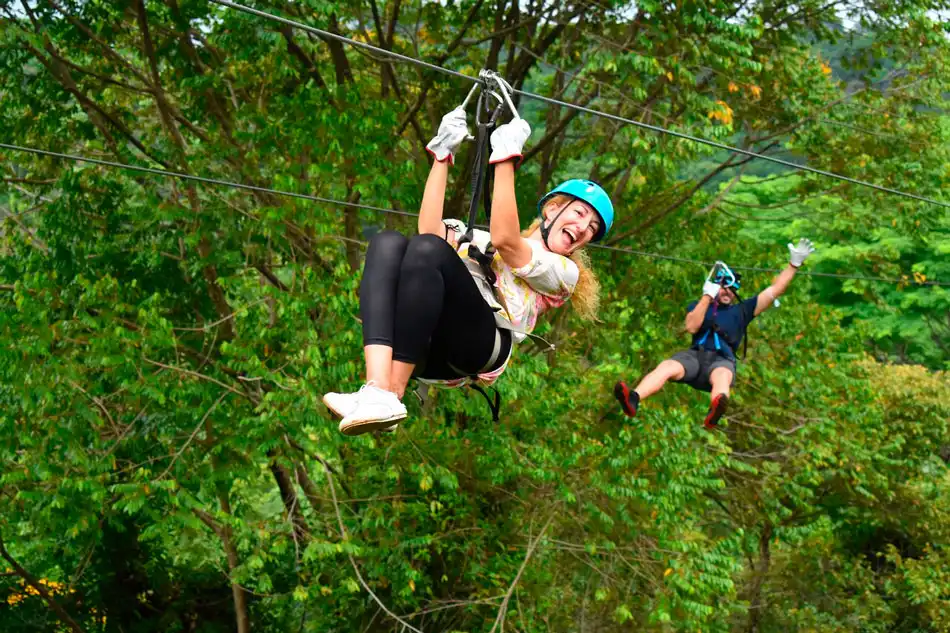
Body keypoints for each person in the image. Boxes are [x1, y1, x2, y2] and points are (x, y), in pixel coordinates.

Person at [323, 106, 615, 436]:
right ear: (552, 209)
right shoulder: (483, 240)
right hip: (429, 342)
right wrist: (441, 156)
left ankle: (392, 393)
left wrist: (505, 160)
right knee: (388, 243)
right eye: (578, 213)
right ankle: (376, 388)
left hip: (482, 343)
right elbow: (430, 233)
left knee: (429, 250)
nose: (582, 228)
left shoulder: (563, 273)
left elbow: (507, 240)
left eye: (591, 228)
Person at [613, 239, 815, 428]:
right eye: (722, 288)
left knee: (722, 376)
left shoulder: (743, 310)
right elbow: (692, 326)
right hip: (695, 357)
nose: (726, 292)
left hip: (721, 360)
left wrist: (793, 265)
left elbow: (775, 290)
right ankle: (634, 398)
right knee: (667, 366)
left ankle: (716, 408)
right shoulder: (701, 305)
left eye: (730, 288)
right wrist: (707, 296)